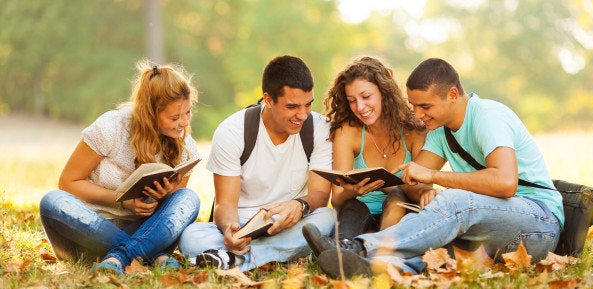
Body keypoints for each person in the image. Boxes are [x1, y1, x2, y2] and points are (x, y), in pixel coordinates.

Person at [303, 57, 564, 278]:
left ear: (452, 95)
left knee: (455, 201)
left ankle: (356, 248)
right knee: (432, 237)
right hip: (490, 229)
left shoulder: (488, 116)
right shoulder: (439, 132)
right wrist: (421, 190)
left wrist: (434, 177)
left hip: (537, 224)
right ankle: (374, 267)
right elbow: (411, 178)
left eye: (425, 106)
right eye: (414, 105)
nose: (417, 115)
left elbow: (506, 183)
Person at [39, 60, 201, 275]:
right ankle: (149, 256)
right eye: (174, 117)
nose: (183, 123)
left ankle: (119, 257)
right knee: (52, 201)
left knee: (188, 198)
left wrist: (163, 196)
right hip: (88, 230)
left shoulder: (185, 144)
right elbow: (68, 182)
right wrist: (122, 200)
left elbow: (171, 212)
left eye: (187, 113)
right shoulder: (111, 127)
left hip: (145, 229)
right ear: (150, 113)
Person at [178, 55, 336, 270]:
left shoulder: (320, 128)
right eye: (292, 107)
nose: (303, 114)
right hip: (243, 224)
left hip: (291, 223)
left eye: (308, 104)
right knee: (190, 237)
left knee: (327, 217)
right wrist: (230, 231)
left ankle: (232, 259)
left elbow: (319, 195)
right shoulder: (232, 131)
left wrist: (300, 205)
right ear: (269, 100)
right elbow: (225, 205)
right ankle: (270, 252)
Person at [322, 56, 428, 239]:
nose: (360, 107)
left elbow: (424, 192)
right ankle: (342, 250)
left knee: (396, 197)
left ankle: (380, 250)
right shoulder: (347, 131)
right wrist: (350, 192)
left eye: (366, 96)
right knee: (352, 207)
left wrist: (387, 185)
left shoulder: (414, 131)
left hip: (402, 216)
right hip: (360, 215)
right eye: (352, 100)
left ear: (384, 93)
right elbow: (337, 201)